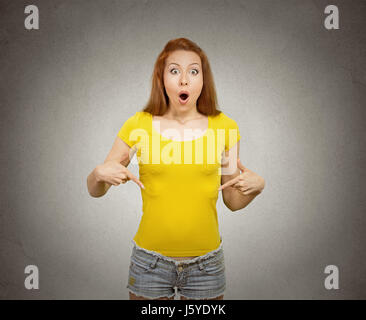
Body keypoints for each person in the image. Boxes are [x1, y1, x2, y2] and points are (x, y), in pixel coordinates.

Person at [87, 38, 265, 300]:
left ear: (203, 80)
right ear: (162, 79)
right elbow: (96, 189)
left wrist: (258, 187)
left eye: (193, 71)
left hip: (207, 265)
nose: (184, 80)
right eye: (174, 71)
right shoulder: (139, 125)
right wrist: (98, 174)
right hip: (150, 264)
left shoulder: (225, 128)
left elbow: (233, 200)